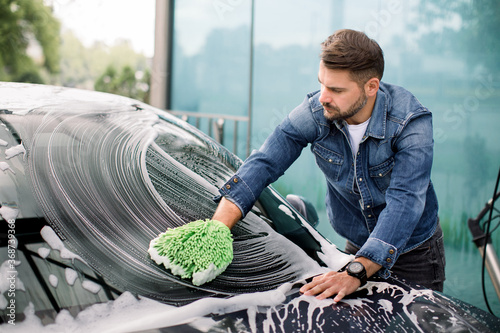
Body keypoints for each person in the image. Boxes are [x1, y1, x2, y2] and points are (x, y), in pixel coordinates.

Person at [211, 29, 445, 303]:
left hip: (414, 254)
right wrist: (217, 228)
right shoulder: (317, 111)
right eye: (322, 84)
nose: (323, 97)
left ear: (371, 87)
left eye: (336, 89)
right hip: (357, 244)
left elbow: (404, 202)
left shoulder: (411, 124)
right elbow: (264, 162)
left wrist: (355, 271)